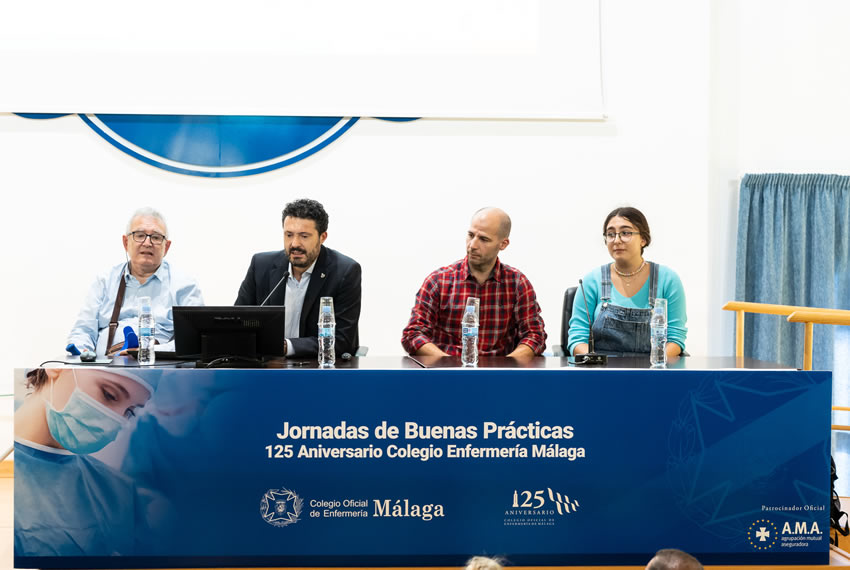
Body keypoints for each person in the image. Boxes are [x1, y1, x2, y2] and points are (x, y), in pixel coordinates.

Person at [14, 367, 158, 556]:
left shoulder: (118, 492)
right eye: (109, 395)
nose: (116, 419)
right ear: (56, 369)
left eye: (130, 412)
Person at [401, 207, 546, 358]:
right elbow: (413, 334)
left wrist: (507, 366)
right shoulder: (439, 281)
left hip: (499, 375)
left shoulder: (517, 284)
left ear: (503, 244)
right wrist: (447, 363)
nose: (473, 245)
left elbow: (535, 336)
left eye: (483, 239)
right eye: (470, 235)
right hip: (447, 374)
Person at [66, 207, 204, 356]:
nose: (147, 243)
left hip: (159, 370)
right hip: (105, 370)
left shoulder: (185, 286)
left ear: (167, 247)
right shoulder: (105, 281)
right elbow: (83, 331)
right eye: (140, 235)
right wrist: (82, 352)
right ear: (126, 242)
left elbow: (193, 340)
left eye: (156, 237)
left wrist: (147, 351)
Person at [235, 198, 362, 358]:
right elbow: (237, 324)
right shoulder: (261, 266)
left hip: (317, 370)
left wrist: (287, 347)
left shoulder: (344, 272)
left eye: (304, 236)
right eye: (289, 235)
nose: (294, 244)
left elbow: (342, 341)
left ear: (322, 237)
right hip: (267, 367)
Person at [568, 206, 686, 357]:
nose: (616, 240)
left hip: (652, 371)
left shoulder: (668, 280)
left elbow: (675, 339)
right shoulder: (591, 281)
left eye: (625, 233)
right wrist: (598, 363)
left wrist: (654, 366)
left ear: (643, 239)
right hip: (601, 370)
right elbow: (577, 338)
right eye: (610, 234)